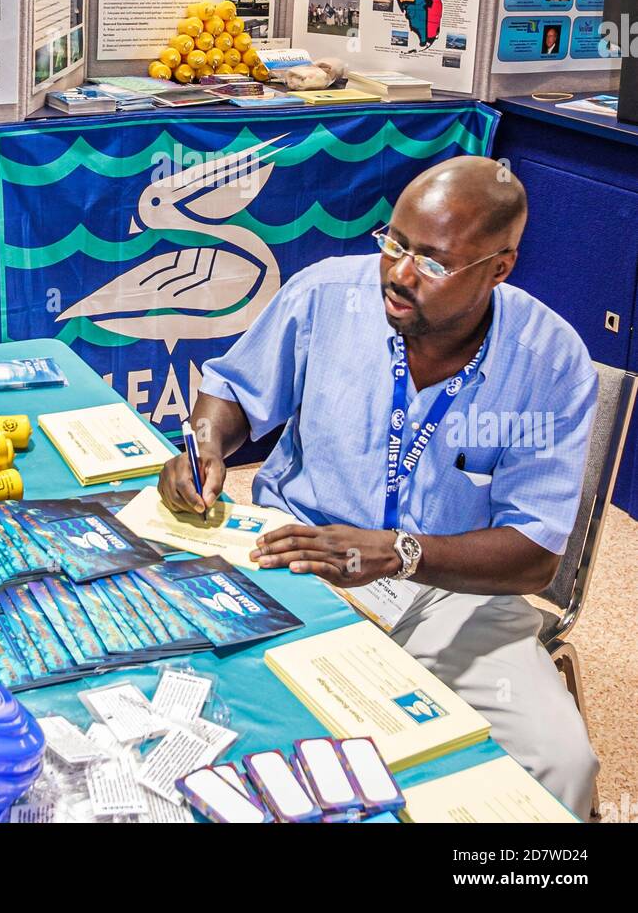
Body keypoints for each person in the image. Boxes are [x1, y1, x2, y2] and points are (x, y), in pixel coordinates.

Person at [159, 156, 599, 819]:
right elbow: (232, 391)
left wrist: (400, 552)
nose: (398, 272)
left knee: (562, 762)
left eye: (433, 261)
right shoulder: (326, 296)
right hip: (300, 556)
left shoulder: (551, 361)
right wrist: (203, 445)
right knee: (229, 729)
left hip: (456, 593)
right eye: (394, 243)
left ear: (499, 269)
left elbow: (534, 553)